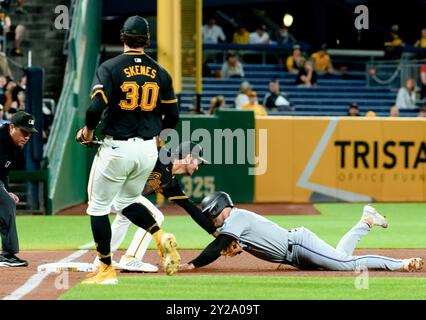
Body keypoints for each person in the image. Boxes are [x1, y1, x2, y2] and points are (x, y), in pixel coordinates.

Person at [75, 16, 181, 285]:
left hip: (118, 146)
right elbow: (173, 116)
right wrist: (158, 137)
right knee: (126, 202)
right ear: (147, 40)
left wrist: (88, 132)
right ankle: (159, 235)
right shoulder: (161, 72)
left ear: (123, 37)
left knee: (98, 208)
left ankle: (106, 270)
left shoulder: (110, 67)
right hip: (147, 150)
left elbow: (94, 109)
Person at [179, 192, 423, 273]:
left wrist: (192, 264)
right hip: (294, 251)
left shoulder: (236, 217)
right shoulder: (235, 222)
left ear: (219, 208)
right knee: (340, 256)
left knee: (347, 265)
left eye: (212, 214)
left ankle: (401, 264)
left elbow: (216, 244)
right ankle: (366, 221)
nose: (213, 220)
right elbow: (221, 240)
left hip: (297, 245)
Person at [93, 142, 217, 272]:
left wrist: (214, 232)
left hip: (117, 195)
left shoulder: (170, 182)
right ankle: (131, 258)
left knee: (125, 217)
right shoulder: (160, 155)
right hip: (113, 186)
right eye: (198, 161)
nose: (198, 167)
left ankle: (102, 260)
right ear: (189, 157)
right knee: (155, 216)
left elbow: (190, 207)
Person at [0, 111, 38, 267]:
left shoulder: (15, 146)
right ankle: (7, 254)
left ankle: (7, 254)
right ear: (11, 127)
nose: (27, 136)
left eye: (29, 133)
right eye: (23, 131)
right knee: (7, 204)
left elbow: (3, 173)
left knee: (7, 202)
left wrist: (6, 191)